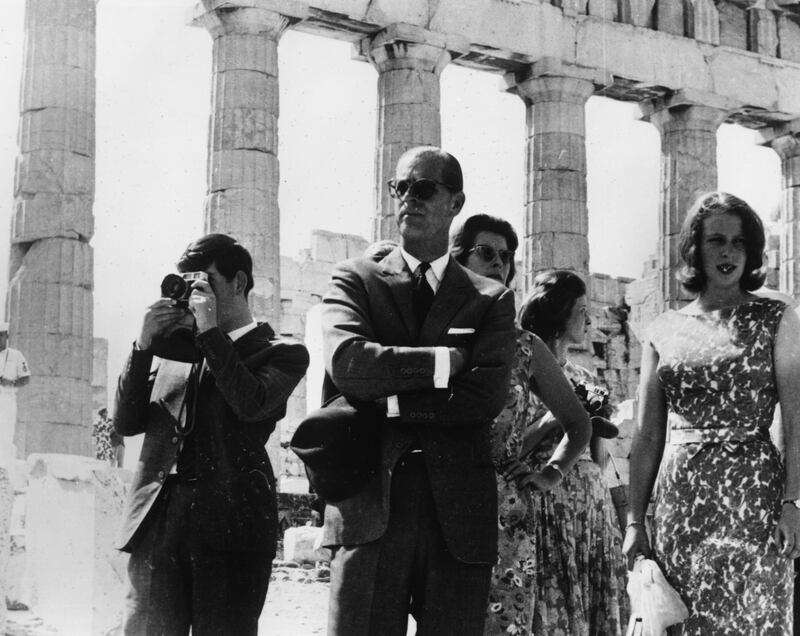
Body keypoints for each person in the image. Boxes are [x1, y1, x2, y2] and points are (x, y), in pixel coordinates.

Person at [320, 147, 517, 635]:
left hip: (456, 515)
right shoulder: (355, 278)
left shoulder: (491, 298)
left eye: (424, 187)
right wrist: (442, 364)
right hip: (371, 505)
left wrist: (387, 400)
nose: (409, 197)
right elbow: (349, 365)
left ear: (456, 202)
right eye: (400, 187)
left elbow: (485, 396)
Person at [113, 234, 310, 635]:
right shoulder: (173, 349)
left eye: (205, 283)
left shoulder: (280, 351)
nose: (192, 295)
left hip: (230, 529)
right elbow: (126, 423)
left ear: (238, 283)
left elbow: (252, 405)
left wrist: (210, 335)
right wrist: (142, 345)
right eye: (186, 284)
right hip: (157, 521)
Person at [623, 192, 800, 634]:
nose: (728, 253)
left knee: (755, 619)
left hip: (755, 501)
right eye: (716, 240)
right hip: (681, 502)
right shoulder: (662, 328)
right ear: (694, 250)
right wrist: (634, 520)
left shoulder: (776, 318)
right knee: (687, 620)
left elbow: (796, 420)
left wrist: (793, 503)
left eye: (739, 242)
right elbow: (646, 435)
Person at [450, 215, 593, 636]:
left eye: (507, 257)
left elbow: (578, 424)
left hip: (504, 512)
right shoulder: (433, 336)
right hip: (439, 499)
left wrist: (550, 474)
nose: (499, 264)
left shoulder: (524, 346)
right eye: (486, 253)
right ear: (457, 261)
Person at [517, 269, 628, 635]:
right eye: (581, 309)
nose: (589, 318)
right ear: (559, 312)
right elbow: (512, 447)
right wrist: (554, 421)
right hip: (547, 507)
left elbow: (600, 460)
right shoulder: (522, 375)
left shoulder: (589, 379)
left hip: (591, 512)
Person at [0, 323, 30, 465]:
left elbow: (26, 378)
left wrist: (11, 383)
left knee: (6, 433)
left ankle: (4, 466)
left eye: (1, 335)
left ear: (7, 336)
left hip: (7, 399)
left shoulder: (16, 355)